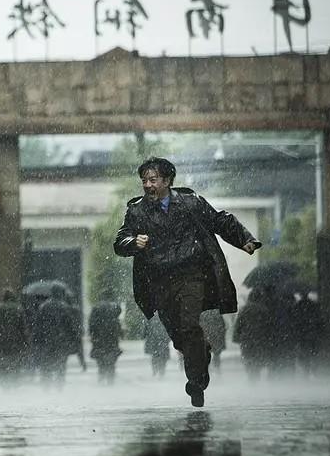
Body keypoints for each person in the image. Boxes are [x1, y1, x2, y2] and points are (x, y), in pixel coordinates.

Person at [114, 157, 260, 407]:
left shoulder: (191, 202)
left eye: (153, 180)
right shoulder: (137, 211)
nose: (148, 185)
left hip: (192, 276)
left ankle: (196, 382)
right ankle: (201, 352)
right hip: (159, 281)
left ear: (167, 181)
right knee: (178, 335)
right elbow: (120, 241)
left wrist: (243, 238)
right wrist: (133, 242)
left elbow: (219, 220)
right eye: (144, 181)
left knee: (189, 325)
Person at [0, 288, 26, 375]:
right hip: (15, 340)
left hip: (1, 340)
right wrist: (25, 341)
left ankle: (3, 379)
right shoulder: (19, 309)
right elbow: (23, 327)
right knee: (15, 363)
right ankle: (14, 378)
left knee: (1, 364)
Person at [89, 301, 124, 384]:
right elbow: (117, 321)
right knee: (111, 357)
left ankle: (102, 373)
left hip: (99, 338)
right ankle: (110, 375)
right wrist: (119, 333)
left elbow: (92, 324)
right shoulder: (113, 308)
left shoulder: (96, 308)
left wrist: (93, 335)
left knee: (100, 357)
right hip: (111, 337)